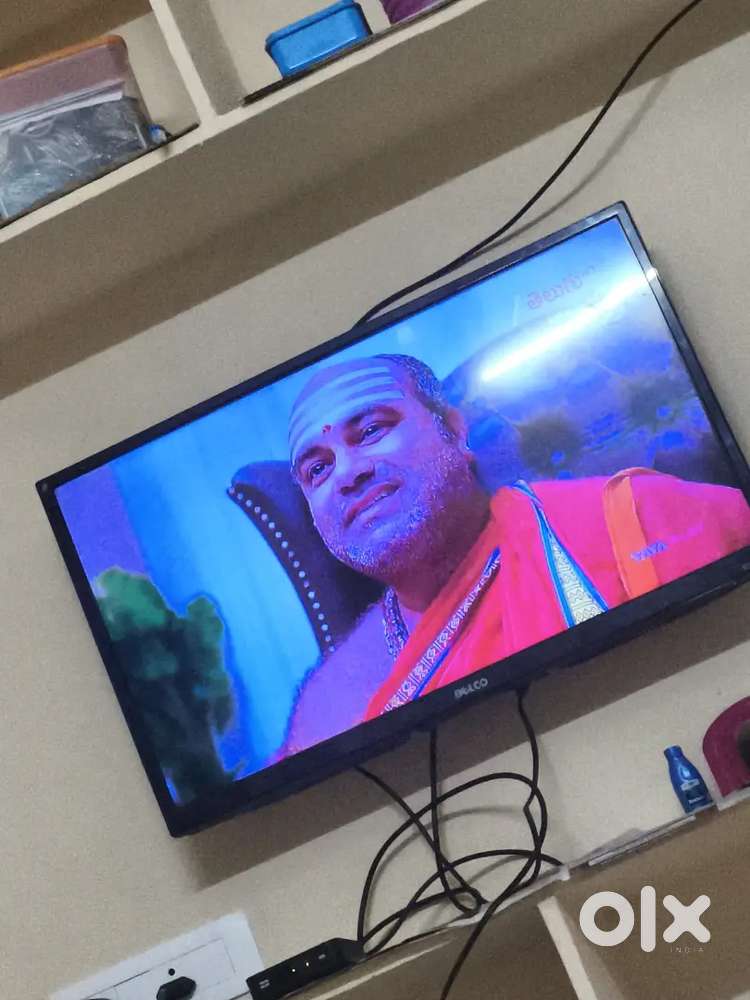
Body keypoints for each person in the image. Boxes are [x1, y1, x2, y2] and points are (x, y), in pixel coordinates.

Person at [281, 353, 750, 754]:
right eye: (318, 469)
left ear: (454, 431)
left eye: (370, 430)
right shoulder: (325, 707)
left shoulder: (635, 518)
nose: (349, 473)